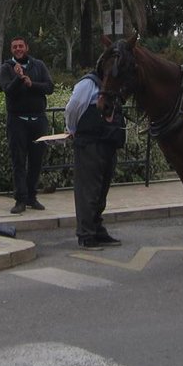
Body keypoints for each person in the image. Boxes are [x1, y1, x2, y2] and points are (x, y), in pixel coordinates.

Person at [65, 68, 126, 250]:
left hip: (108, 142)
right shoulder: (88, 83)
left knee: (101, 191)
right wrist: (73, 130)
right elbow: (73, 107)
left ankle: (97, 229)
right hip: (90, 143)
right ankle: (86, 234)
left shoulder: (113, 85)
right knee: (88, 191)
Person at [0, 36, 54, 214]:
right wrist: (19, 78)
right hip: (17, 121)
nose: (18, 49)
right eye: (14, 46)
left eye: (21, 46)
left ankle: (32, 196)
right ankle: (20, 199)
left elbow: (49, 87)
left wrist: (31, 84)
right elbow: (7, 90)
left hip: (38, 120)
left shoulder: (39, 65)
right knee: (19, 161)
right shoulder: (7, 68)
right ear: (11, 49)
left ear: (27, 48)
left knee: (36, 161)